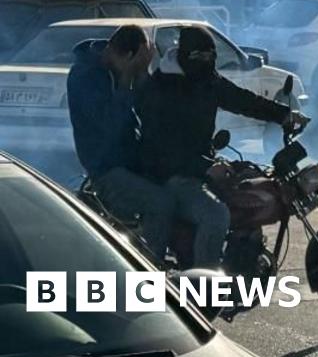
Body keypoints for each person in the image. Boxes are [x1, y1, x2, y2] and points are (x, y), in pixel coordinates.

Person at [137, 26, 306, 269]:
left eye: (210, 56)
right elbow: (162, 148)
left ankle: (244, 259)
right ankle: (205, 289)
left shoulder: (207, 80)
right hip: (170, 176)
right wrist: (205, 167)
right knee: (216, 216)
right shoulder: (162, 89)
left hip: (198, 168)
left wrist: (285, 115)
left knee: (249, 187)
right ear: (185, 55)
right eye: (199, 57)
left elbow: (242, 99)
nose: (206, 61)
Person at [67, 26, 173, 260]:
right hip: (106, 168)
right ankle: (149, 271)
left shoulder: (118, 67)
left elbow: (150, 111)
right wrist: (126, 80)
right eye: (137, 62)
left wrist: (143, 73)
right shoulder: (85, 76)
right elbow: (110, 126)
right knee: (160, 203)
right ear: (126, 56)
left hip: (132, 161)